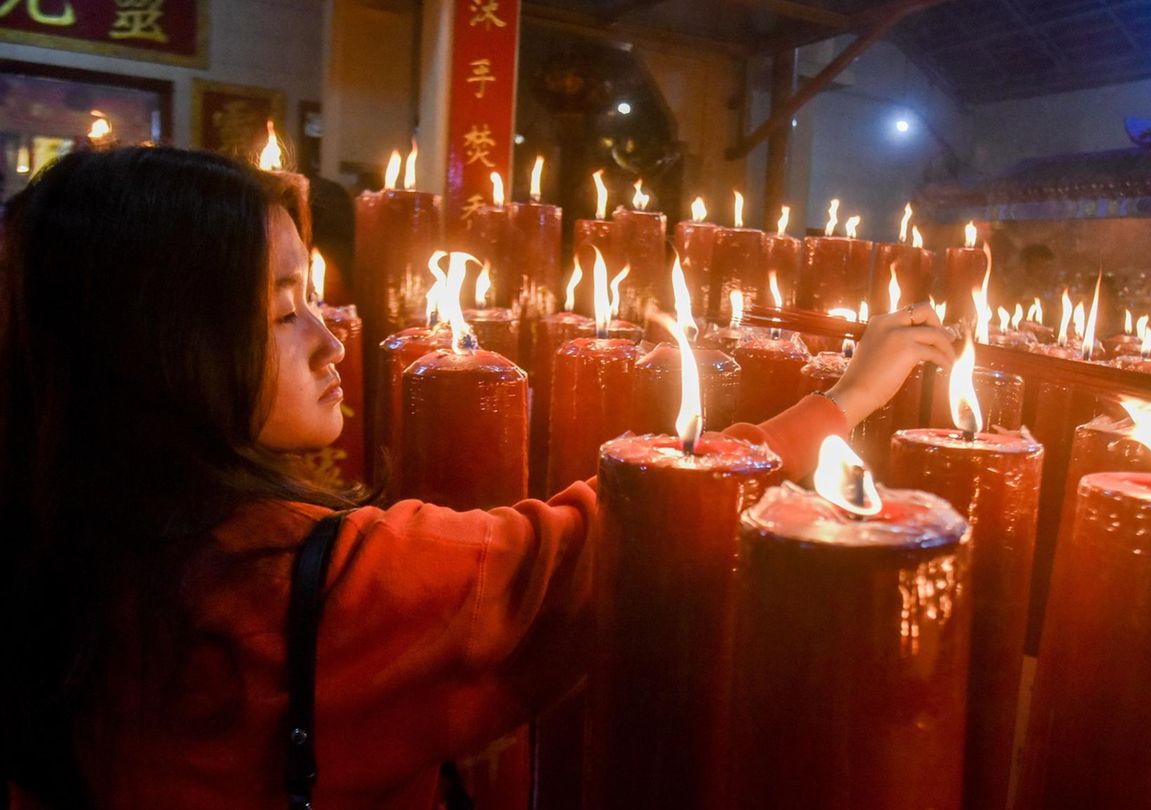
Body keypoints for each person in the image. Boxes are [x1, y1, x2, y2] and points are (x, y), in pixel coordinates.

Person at [0, 147, 956, 809]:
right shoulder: (320, 589)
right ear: (166, 351)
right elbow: (605, 545)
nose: (333, 338)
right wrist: (842, 403)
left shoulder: (58, 538)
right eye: (285, 309)